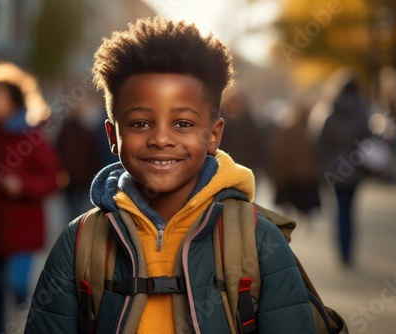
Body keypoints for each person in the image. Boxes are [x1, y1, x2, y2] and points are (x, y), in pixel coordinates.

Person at [24, 17, 316, 333]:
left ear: (214, 134)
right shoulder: (78, 243)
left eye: (183, 124)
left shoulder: (258, 241)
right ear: (112, 135)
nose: (161, 139)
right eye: (139, 123)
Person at [0, 62, 64, 333]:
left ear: (14, 101)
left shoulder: (32, 137)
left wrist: (24, 185)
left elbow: (55, 179)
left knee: (17, 287)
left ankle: (30, 326)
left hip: (23, 231)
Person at [311, 69, 371, 267]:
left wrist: (323, 163)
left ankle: (342, 250)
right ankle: (349, 250)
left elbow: (318, 143)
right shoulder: (362, 111)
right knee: (350, 209)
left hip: (334, 169)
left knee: (339, 209)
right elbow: (369, 139)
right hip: (356, 168)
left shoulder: (328, 111)